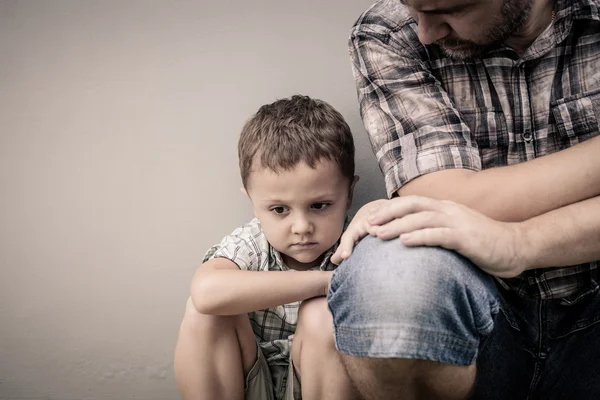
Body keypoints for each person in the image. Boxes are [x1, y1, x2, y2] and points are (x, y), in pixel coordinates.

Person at [326, 0, 600, 399]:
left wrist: (521, 243)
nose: (424, 31)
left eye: (448, 10)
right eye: (412, 7)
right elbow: (444, 201)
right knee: (389, 278)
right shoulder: (388, 32)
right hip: (482, 313)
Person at [174, 95, 368, 400]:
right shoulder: (253, 242)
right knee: (206, 312)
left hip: (322, 382)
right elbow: (205, 291)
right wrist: (326, 282)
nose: (301, 226)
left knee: (324, 314)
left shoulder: (357, 244)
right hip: (249, 381)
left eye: (320, 205)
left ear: (349, 193)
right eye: (279, 209)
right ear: (253, 203)